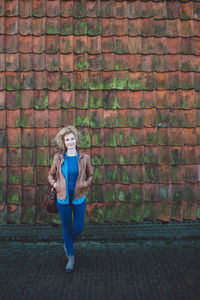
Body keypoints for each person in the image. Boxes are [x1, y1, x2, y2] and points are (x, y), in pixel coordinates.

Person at [48, 126, 94, 272]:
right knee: (66, 227)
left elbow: (91, 175)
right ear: (63, 142)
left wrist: (85, 184)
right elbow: (50, 175)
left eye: (72, 138)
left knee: (78, 227)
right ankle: (71, 257)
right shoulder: (58, 158)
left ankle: (67, 243)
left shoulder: (84, 158)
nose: (70, 142)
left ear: (76, 139)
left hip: (79, 197)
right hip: (63, 198)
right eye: (67, 139)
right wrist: (55, 184)